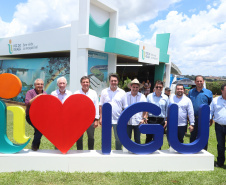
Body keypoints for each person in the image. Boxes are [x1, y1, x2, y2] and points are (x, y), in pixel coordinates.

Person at [99, 73, 128, 150]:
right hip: (106, 119)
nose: (113, 82)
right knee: (105, 138)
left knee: (118, 139)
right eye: (112, 81)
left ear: (118, 81)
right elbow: (101, 105)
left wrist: (125, 119)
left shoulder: (122, 92)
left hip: (118, 119)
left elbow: (125, 107)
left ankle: (118, 153)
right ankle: (105, 153)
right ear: (109, 81)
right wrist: (101, 117)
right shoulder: (104, 92)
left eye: (115, 81)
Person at [74, 76, 99, 150]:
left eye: (87, 82)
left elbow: (96, 106)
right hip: (79, 120)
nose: (85, 84)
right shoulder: (76, 93)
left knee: (91, 137)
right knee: (79, 137)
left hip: (91, 119)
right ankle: (79, 151)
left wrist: (96, 119)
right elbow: (74, 107)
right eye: (84, 82)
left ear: (89, 83)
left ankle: (90, 151)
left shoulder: (93, 93)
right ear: (81, 83)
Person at [188, 75, 213, 150]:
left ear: (203, 81)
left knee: (204, 137)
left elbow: (211, 107)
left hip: (204, 119)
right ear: (195, 82)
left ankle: (204, 153)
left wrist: (211, 118)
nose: (199, 82)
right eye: (197, 81)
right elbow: (188, 105)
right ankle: (191, 152)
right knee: (193, 136)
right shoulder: (191, 92)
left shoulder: (208, 92)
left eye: (201, 81)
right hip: (193, 119)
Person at [25, 78, 47, 151]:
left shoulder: (45, 93)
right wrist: (37, 97)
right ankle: (34, 146)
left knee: (38, 130)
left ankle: (36, 148)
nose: (40, 85)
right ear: (34, 85)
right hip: (30, 116)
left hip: (41, 117)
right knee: (40, 129)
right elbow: (27, 103)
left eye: (41, 84)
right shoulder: (30, 92)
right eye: (38, 84)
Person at [146, 80, 168, 145]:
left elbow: (167, 110)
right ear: (154, 87)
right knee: (149, 138)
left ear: (162, 88)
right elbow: (146, 108)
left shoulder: (166, 98)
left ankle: (159, 154)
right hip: (151, 120)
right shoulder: (149, 96)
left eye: (160, 87)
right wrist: (145, 118)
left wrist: (166, 120)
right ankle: (147, 153)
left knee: (159, 139)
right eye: (157, 87)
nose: (158, 88)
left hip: (161, 121)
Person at [210, 83, 226, 167]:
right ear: (222, 90)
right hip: (219, 126)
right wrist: (210, 119)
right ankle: (220, 162)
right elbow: (211, 111)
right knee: (220, 145)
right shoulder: (215, 100)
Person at [126, 79, 147, 144]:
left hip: (138, 121)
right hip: (127, 121)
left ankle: (137, 153)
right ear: (130, 87)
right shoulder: (125, 95)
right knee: (127, 139)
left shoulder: (142, 96)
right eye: (133, 87)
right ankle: (126, 153)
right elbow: (122, 107)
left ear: (139, 88)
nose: (135, 89)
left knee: (137, 139)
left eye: (137, 87)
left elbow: (145, 108)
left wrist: (143, 119)